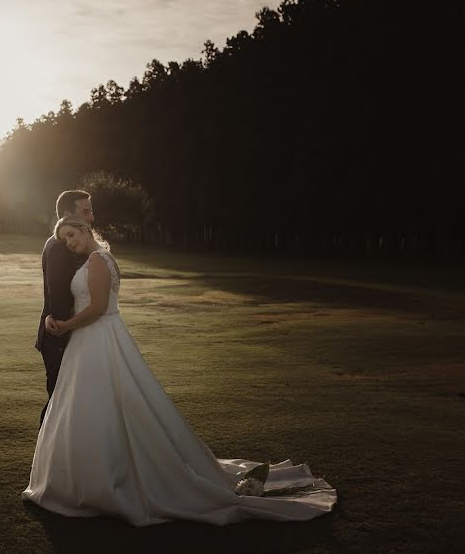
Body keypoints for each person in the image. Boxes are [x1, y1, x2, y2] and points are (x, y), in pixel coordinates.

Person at [22, 217, 337, 526]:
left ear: (84, 230)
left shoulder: (98, 261)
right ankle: (94, 473)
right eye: (64, 239)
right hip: (92, 341)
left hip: (98, 339)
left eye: (71, 235)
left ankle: (111, 477)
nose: (69, 243)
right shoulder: (100, 258)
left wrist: (65, 326)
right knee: (95, 405)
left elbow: (99, 308)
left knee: (106, 402)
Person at [35, 190, 95, 426]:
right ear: (68, 214)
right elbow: (58, 298)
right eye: (85, 211)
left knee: (64, 403)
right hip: (58, 335)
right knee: (59, 405)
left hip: (65, 332)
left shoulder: (65, 244)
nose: (91, 217)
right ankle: (47, 459)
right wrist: (65, 331)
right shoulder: (60, 247)